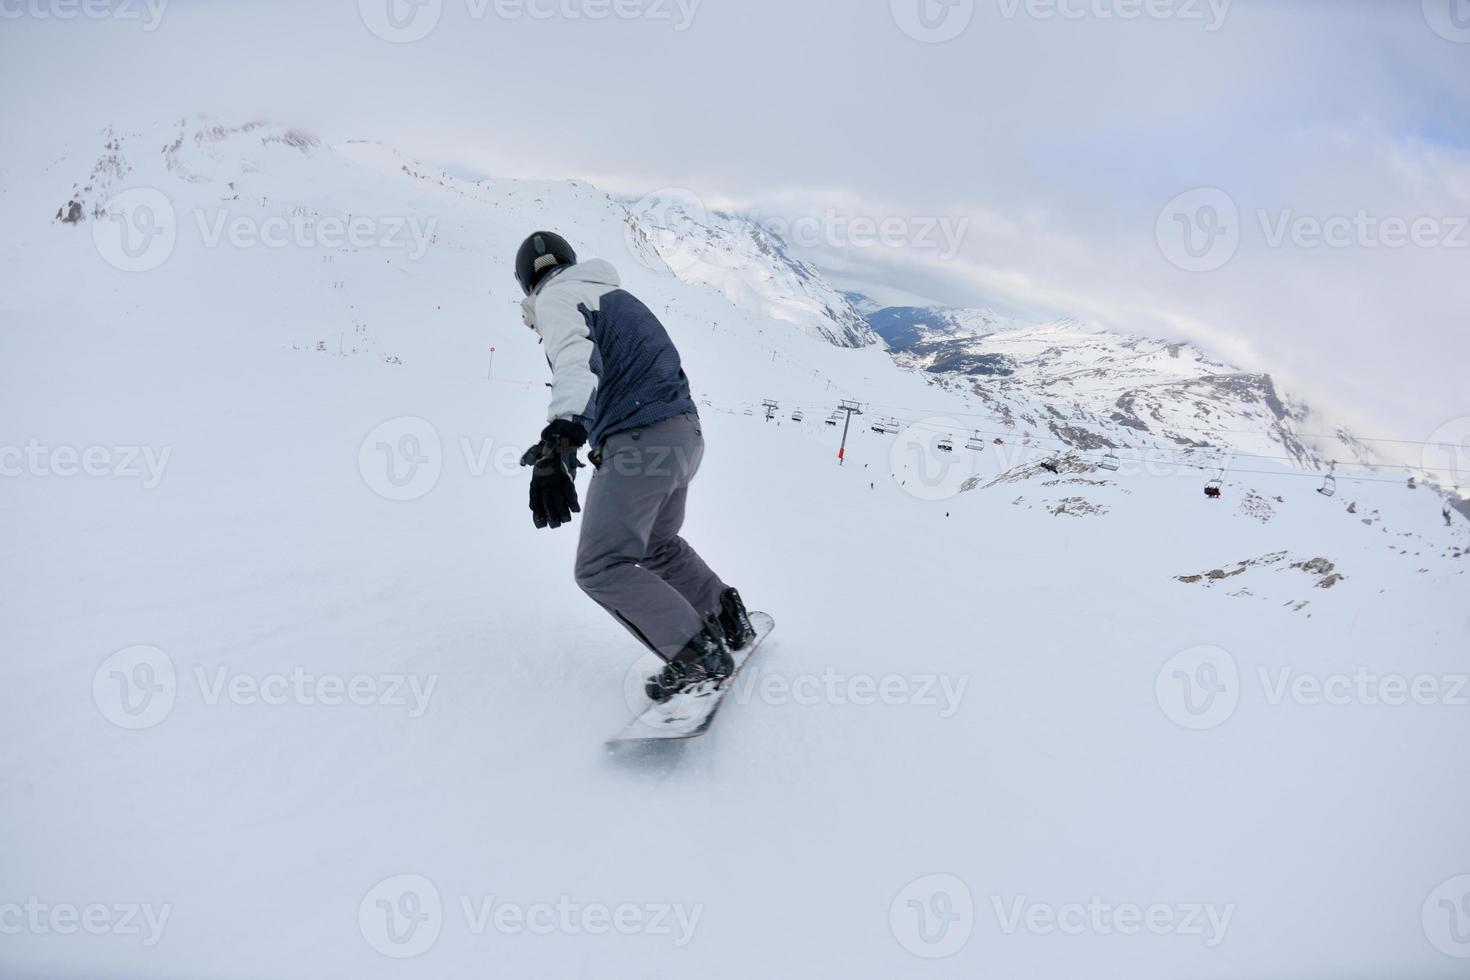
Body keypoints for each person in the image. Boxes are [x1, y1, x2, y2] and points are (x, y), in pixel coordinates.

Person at [515, 231, 756, 702]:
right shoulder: (612, 294)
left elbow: (576, 362)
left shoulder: (557, 297)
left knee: (601, 566)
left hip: (641, 440)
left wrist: (561, 434)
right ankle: (728, 620)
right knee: (658, 545)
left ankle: (697, 657)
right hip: (683, 435)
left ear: (528, 283)